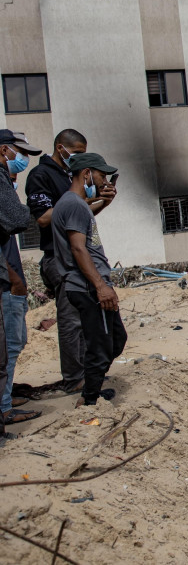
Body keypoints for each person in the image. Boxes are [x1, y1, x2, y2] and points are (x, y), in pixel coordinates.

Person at [24, 129, 98, 394]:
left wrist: (100, 201)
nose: (79, 158)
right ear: (60, 148)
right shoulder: (41, 175)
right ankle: (73, 377)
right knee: (70, 320)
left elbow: (79, 217)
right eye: (76, 152)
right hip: (58, 257)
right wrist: (77, 200)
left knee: (82, 318)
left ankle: (84, 372)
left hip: (75, 255)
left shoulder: (68, 176)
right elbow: (43, 218)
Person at [50, 153, 125, 407]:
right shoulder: (73, 205)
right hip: (87, 286)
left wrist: (103, 203)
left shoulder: (75, 204)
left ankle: (92, 387)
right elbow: (79, 249)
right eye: (101, 175)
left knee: (115, 338)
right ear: (86, 174)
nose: (104, 181)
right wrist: (100, 286)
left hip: (90, 284)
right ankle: (89, 399)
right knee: (101, 344)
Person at [2, 131, 41, 424]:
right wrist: (14, 279)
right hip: (6, 282)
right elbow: (18, 220)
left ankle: (5, 397)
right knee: (9, 346)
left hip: (8, 278)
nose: (22, 159)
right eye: (18, 152)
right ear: (4, 151)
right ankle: (4, 407)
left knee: (12, 346)